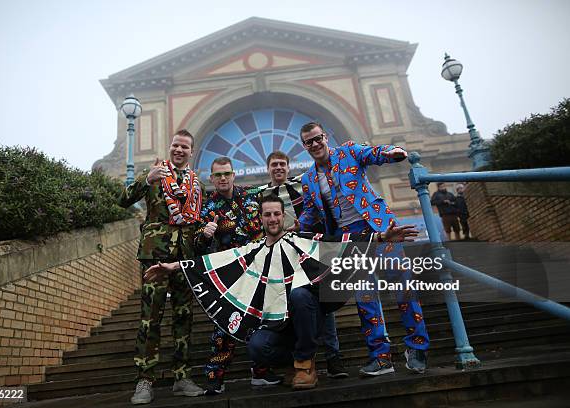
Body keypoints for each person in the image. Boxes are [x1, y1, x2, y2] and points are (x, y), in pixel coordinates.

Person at [144, 195, 419, 390]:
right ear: (261, 218)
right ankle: (292, 362)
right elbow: (217, 262)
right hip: (279, 324)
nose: (273, 218)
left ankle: (305, 364)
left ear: (283, 216)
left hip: (309, 317)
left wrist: (381, 238)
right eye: (267, 214)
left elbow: (339, 243)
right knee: (256, 347)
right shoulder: (253, 250)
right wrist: (174, 266)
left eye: (277, 213)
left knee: (300, 294)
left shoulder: (300, 240)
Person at [298, 121, 430, 376]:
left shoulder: (348, 151)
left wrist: (392, 152)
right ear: (304, 146)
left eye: (317, 138)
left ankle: (418, 347)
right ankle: (381, 357)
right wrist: (294, 226)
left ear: (325, 137)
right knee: (365, 298)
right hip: (349, 241)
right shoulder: (308, 179)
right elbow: (311, 212)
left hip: (380, 226)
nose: (314, 144)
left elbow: (373, 153)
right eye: (308, 142)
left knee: (402, 286)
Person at [119, 129, 205, 404]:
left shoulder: (196, 182)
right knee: (150, 317)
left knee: (183, 317)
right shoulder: (155, 173)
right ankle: (144, 381)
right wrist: (146, 179)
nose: (179, 150)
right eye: (175, 145)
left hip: (183, 258)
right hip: (155, 255)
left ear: (191, 152)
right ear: (170, 148)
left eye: (185, 147)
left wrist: (206, 230)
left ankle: (182, 377)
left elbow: (194, 220)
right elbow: (122, 200)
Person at [194, 156, 280, 394]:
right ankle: (215, 377)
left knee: (261, 320)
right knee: (225, 326)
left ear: (233, 175)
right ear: (212, 178)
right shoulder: (208, 207)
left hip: (259, 269)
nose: (223, 178)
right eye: (218, 175)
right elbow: (198, 244)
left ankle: (261, 371)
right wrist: (206, 235)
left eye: (227, 174)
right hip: (229, 276)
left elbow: (275, 212)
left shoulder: (252, 196)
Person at [260, 151, 348, 379]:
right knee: (291, 305)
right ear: (268, 168)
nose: (278, 168)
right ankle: (297, 361)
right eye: (274, 165)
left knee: (324, 303)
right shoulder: (261, 194)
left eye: (282, 164)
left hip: (311, 254)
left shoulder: (302, 186)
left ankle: (333, 358)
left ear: (288, 168)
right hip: (281, 259)